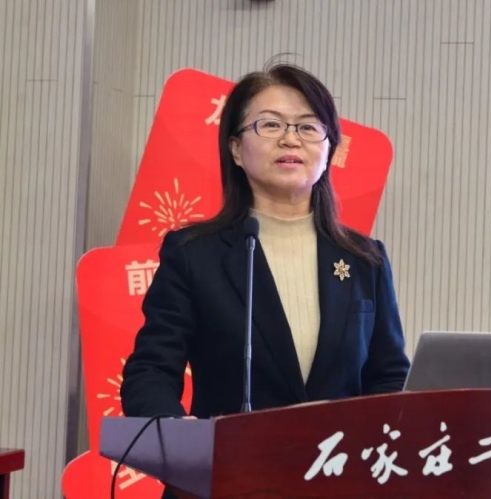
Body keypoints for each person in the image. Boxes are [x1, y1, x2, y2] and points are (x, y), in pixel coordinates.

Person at [120, 62, 411, 423]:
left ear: (329, 151)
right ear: (236, 149)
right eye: (271, 124)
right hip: (227, 458)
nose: (290, 139)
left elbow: (390, 377)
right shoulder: (194, 254)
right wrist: (174, 430)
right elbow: (151, 370)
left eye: (308, 127)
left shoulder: (365, 258)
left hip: (339, 457)